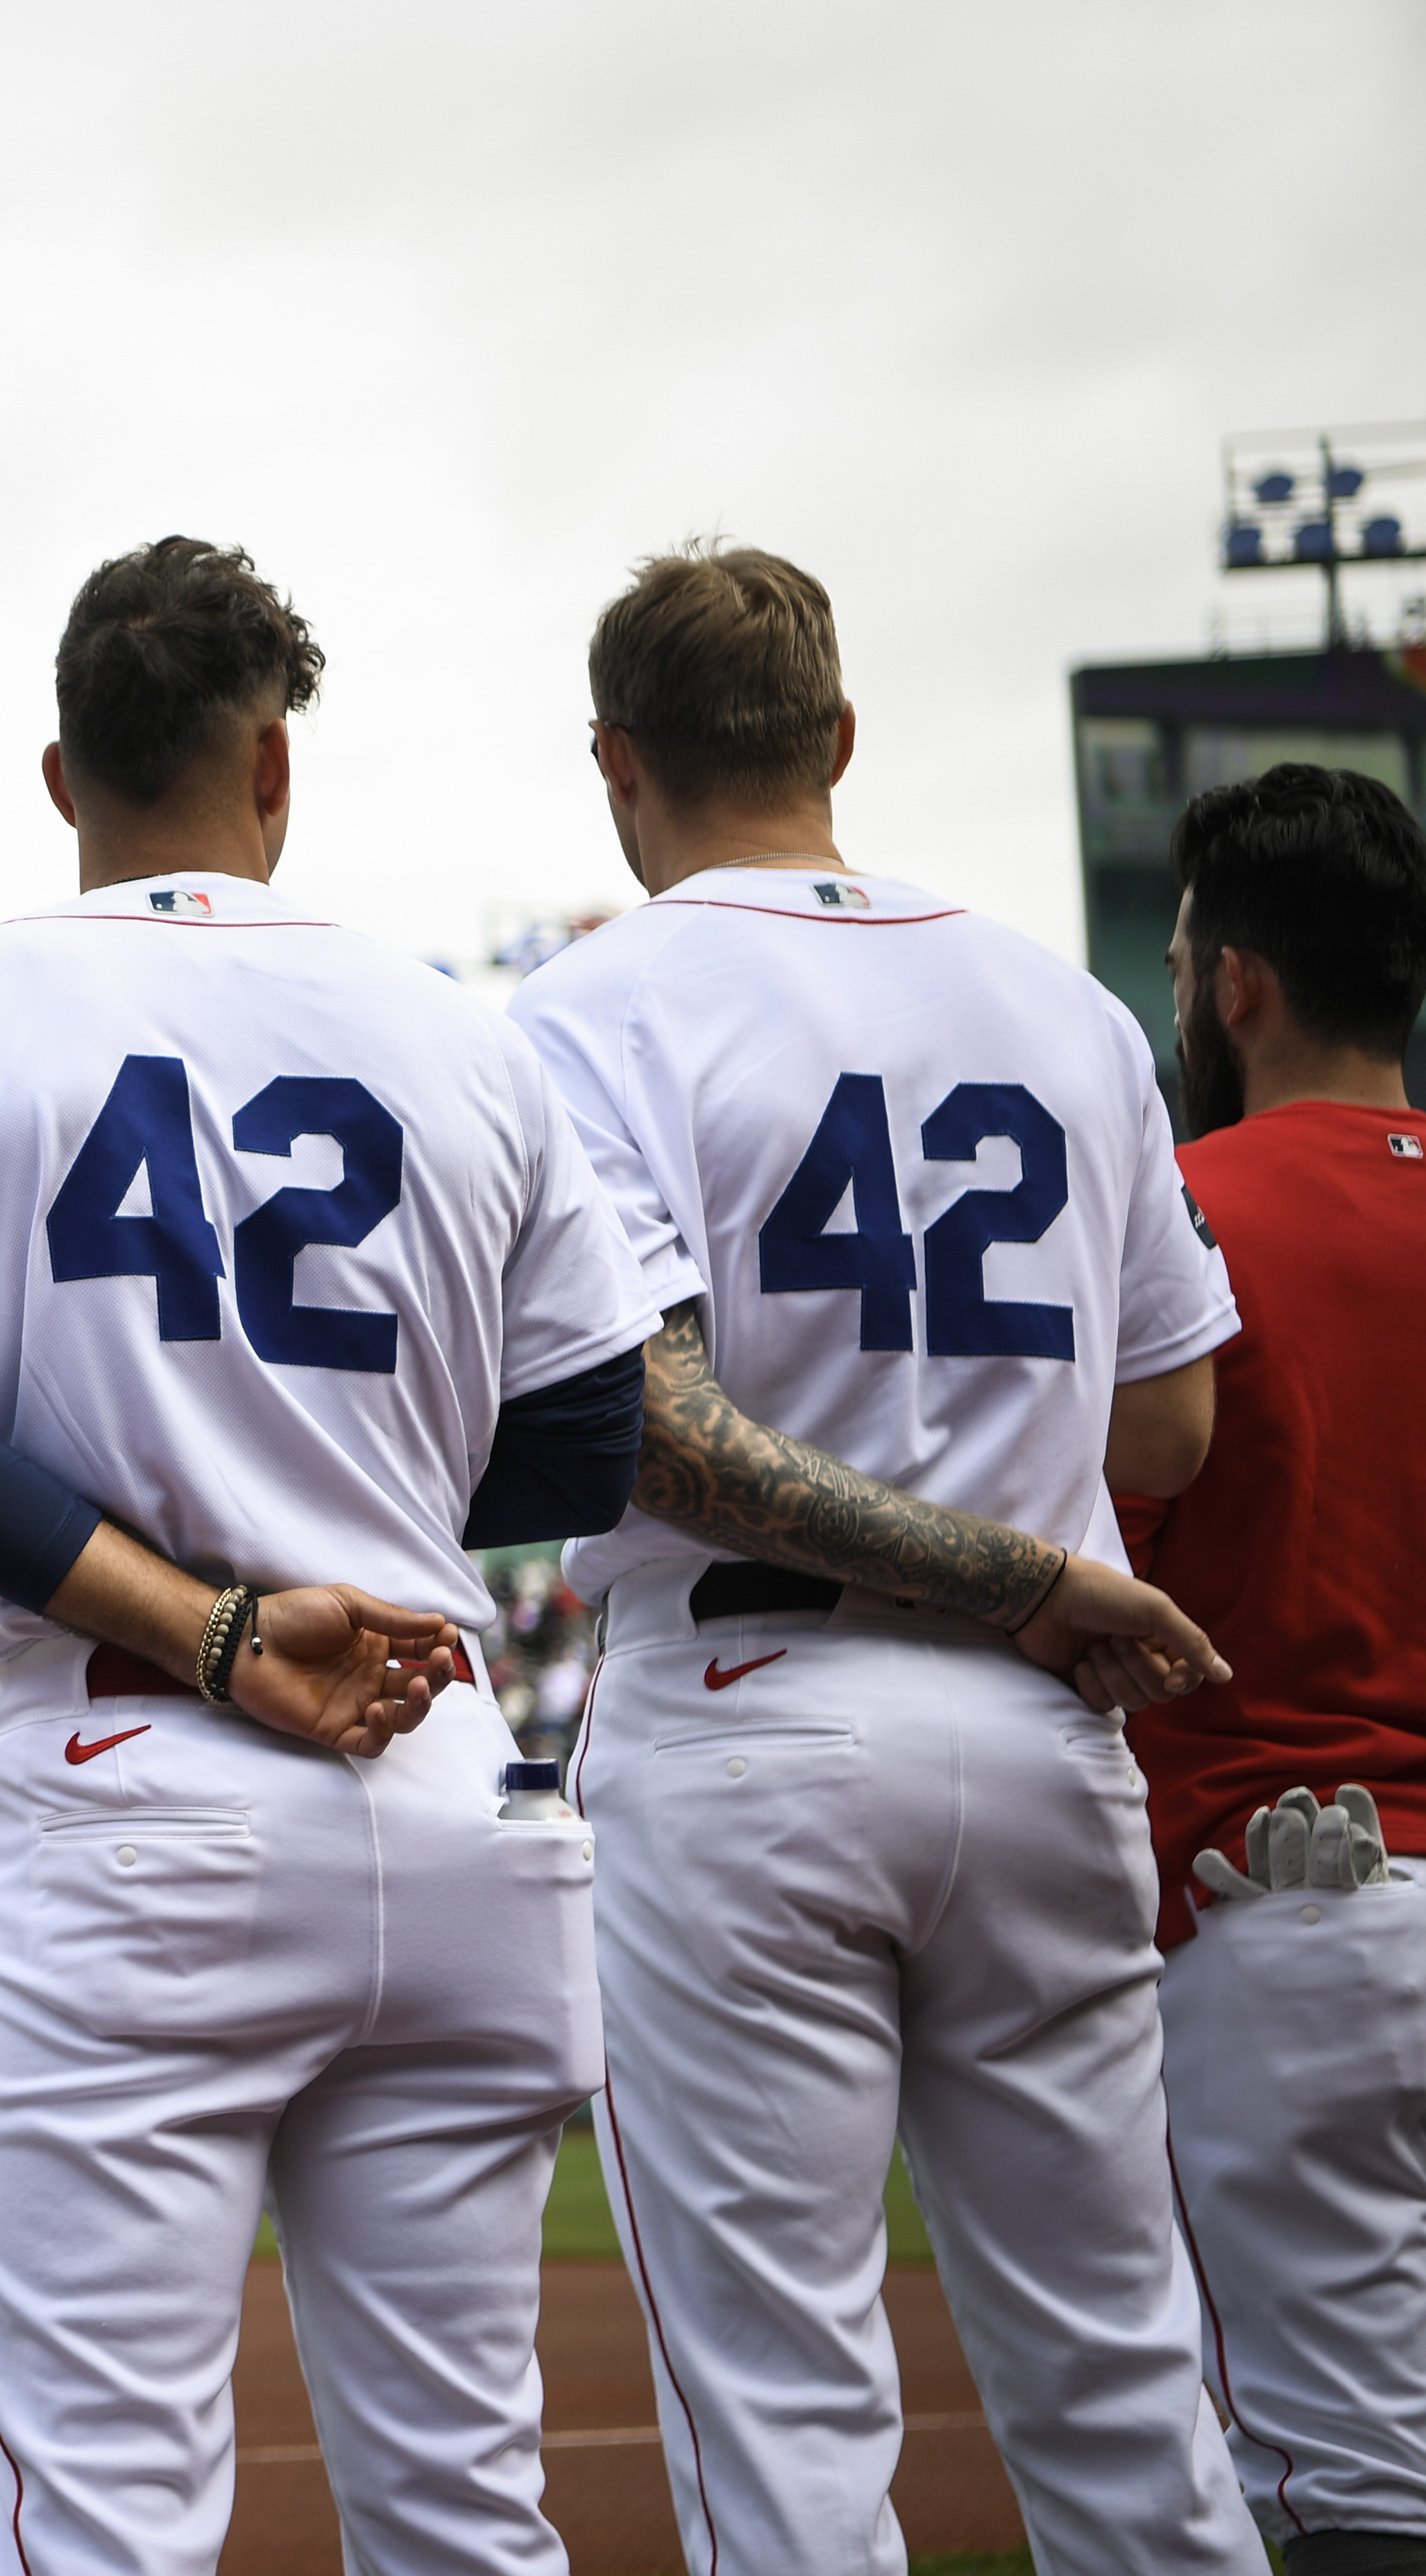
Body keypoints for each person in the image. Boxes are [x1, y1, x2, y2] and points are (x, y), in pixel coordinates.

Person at [0, 538, 658, 2575]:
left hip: (140, 1792)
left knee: (111, 2518)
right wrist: (353, 1487)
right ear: (276, 774)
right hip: (445, 1772)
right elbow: (598, 1429)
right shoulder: (471, 1038)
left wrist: (221, 1613)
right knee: (467, 2506)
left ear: (63, 777)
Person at [505, 546, 1258, 2574]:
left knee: (787, 2414)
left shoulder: (593, 1005)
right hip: (1043, 1739)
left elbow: (651, 1423)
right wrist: (1007, 1508)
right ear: (840, 740)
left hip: (752, 1726)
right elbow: (1175, 1422)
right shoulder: (1065, 1004)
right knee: (1127, 2382)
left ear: (618, 767)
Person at [1117, 762, 1426, 2576]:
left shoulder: (1181, 1217)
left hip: (1295, 1877)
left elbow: (1094, 1594)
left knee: (1344, 2494)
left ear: (1237, 983)